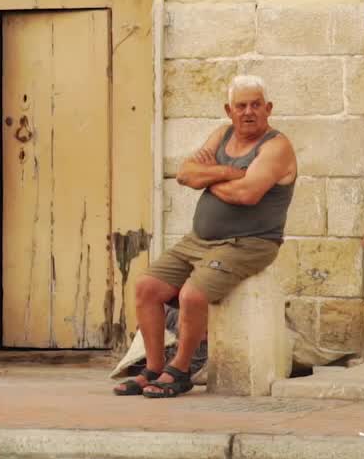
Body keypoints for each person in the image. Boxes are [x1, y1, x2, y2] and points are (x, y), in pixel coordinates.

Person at [114, 75, 298, 398]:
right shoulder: (222, 134)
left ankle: (181, 370)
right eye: (241, 106)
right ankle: (154, 369)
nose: (248, 112)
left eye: (256, 104)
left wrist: (207, 178)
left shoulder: (277, 146)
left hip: (249, 243)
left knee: (191, 295)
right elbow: (185, 173)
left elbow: (248, 194)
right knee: (146, 287)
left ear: (268, 108)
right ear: (229, 111)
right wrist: (228, 172)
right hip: (199, 241)